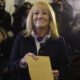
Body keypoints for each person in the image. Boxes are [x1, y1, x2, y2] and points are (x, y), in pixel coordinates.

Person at [8, 1, 68, 80]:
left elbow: (66, 69)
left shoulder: (59, 41)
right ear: (31, 17)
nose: (40, 16)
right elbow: (10, 67)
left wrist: (59, 75)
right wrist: (22, 62)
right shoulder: (21, 37)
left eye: (44, 13)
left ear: (50, 17)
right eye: (36, 13)